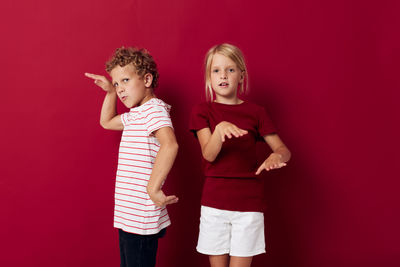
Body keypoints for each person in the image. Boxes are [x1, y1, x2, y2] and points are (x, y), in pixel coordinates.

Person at [189, 43, 291, 267]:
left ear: (241, 75)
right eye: (216, 70)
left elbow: (284, 150)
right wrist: (219, 130)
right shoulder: (202, 111)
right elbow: (209, 154)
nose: (223, 75)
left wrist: (277, 157)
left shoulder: (256, 112)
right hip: (214, 204)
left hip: (248, 204)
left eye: (230, 69)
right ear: (209, 77)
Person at [85, 47, 179, 267]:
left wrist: (153, 188)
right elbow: (107, 122)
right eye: (117, 84)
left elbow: (170, 144)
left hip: (141, 216)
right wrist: (109, 93)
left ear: (147, 79)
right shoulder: (136, 115)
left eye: (125, 80)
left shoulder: (154, 110)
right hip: (130, 213)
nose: (120, 89)